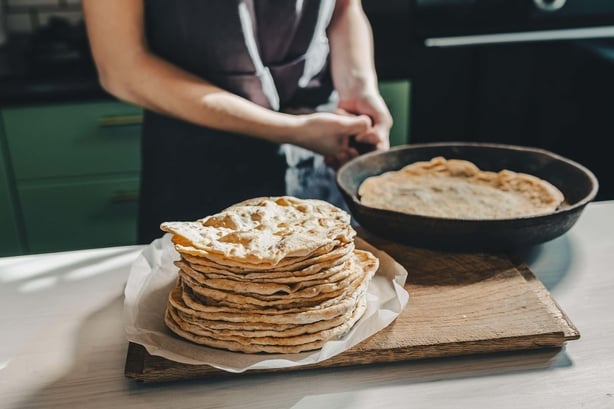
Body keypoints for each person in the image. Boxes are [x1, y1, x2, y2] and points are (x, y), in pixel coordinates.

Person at [82, 0, 393, 244]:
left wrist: (358, 89)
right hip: (196, 153)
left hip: (320, 146)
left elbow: (344, 7)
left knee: (322, 289)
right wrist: (290, 130)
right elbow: (122, 68)